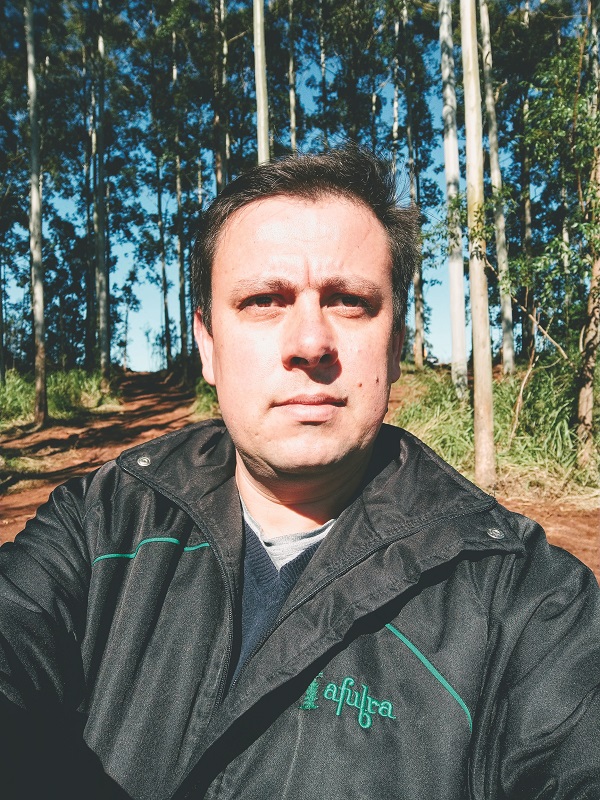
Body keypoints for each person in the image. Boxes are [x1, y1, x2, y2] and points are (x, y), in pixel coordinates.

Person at [1, 146, 599, 800]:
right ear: (207, 344)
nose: (310, 343)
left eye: (349, 301)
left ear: (396, 344)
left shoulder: (524, 599)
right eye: (264, 300)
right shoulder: (102, 519)